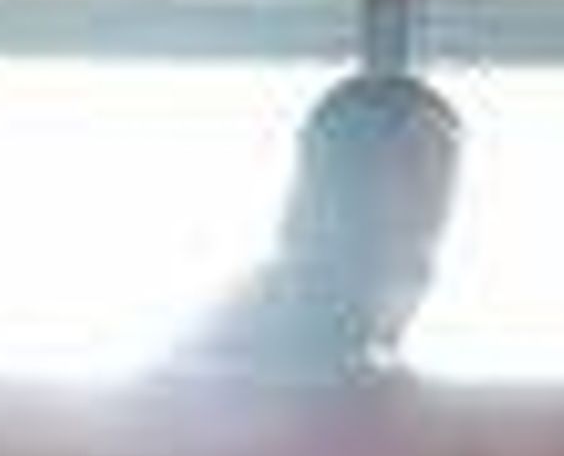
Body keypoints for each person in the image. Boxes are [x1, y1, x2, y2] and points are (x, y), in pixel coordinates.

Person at [168, 64, 464, 373]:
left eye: (446, 169)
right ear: (342, 174)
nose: (437, 193)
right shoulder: (274, 306)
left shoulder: (386, 293)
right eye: (414, 164)